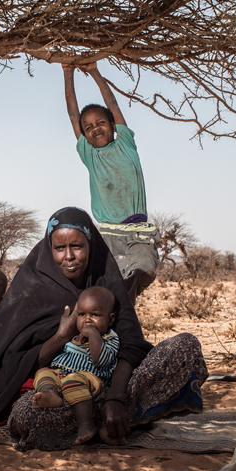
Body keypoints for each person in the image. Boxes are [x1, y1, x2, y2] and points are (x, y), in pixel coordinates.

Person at [0, 207, 207, 451]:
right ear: (49, 248)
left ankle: (110, 414)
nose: (68, 257)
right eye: (60, 248)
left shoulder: (105, 279)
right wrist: (61, 336)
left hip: (116, 384)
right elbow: (21, 360)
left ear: (90, 245)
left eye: (77, 246)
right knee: (25, 416)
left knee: (185, 346)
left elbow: (131, 344)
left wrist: (115, 398)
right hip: (63, 389)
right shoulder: (33, 286)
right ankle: (112, 419)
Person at [62, 62, 159, 302]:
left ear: (113, 125)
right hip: (106, 233)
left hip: (137, 231)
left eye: (101, 123)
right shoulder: (90, 155)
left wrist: (94, 71)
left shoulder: (126, 143)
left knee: (144, 268)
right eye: (89, 128)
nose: (95, 129)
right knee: (106, 290)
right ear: (84, 135)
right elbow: (73, 114)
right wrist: (68, 72)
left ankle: (124, 305)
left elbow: (113, 104)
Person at [32, 286, 120, 444]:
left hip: (90, 380)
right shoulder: (73, 336)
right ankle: (51, 394)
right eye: (82, 314)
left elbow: (102, 360)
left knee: (73, 380)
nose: (87, 319)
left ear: (111, 319)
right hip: (62, 375)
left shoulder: (109, 338)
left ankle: (86, 424)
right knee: (43, 372)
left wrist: (93, 335)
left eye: (95, 315)